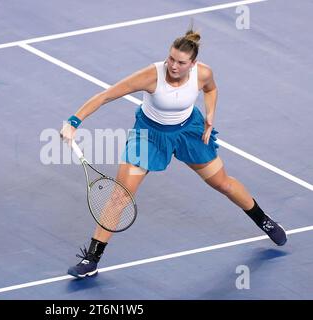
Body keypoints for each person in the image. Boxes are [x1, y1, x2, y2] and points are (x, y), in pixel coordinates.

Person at [60, 27, 287, 279]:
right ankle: (92, 258)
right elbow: (105, 96)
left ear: (193, 63)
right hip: (149, 135)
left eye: (180, 62)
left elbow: (211, 90)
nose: (173, 66)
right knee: (119, 197)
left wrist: (210, 113)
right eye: (171, 59)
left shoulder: (203, 74)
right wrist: (73, 122)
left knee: (222, 184)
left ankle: (263, 219)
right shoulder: (150, 76)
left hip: (189, 131)